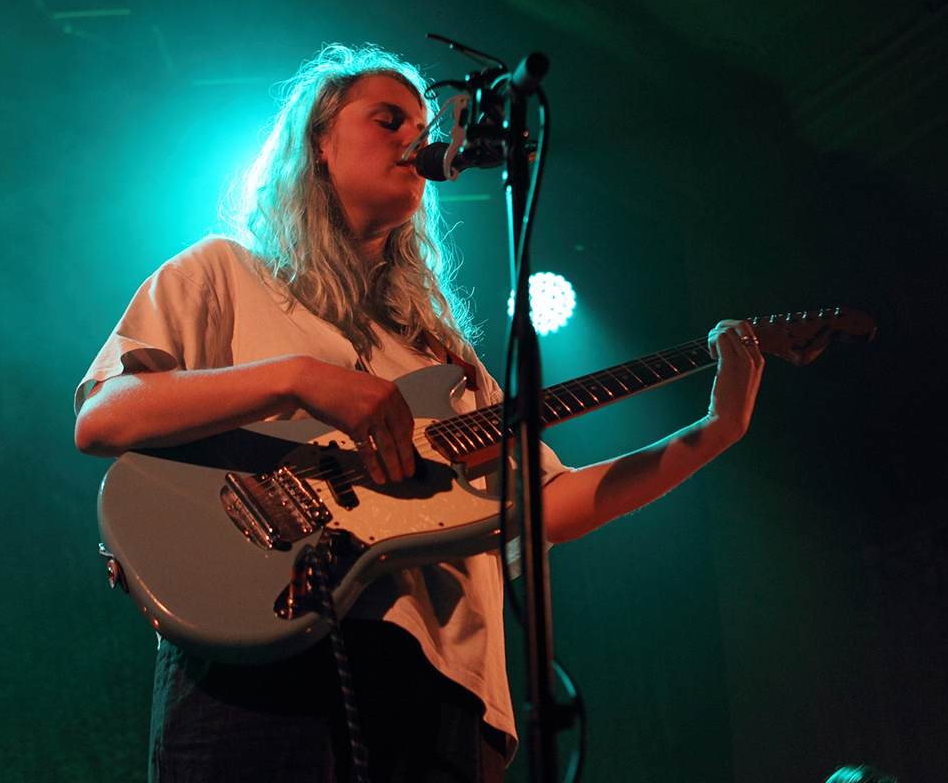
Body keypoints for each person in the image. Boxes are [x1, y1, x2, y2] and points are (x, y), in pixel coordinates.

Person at [74, 43, 764, 783]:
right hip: (262, 639)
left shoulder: (448, 360)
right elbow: (105, 418)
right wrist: (297, 379)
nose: (418, 137)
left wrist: (711, 435)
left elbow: (547, 508)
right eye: (387, 119)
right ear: (319, 145)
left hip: (443, 686)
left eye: (423, 123)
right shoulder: (224, 272)